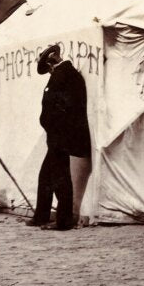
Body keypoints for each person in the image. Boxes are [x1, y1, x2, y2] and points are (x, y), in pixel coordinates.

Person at [27, 44, 91, 230]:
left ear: (53, 59)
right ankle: (42, 216)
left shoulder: (64, 76)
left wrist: (52, 126)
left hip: (60, 137)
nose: (49, 71)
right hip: (58, 136)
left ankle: (63, 221)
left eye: (48, 67)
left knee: (60, 178)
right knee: (46, 176)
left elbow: (63, 108)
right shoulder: (66, 75)